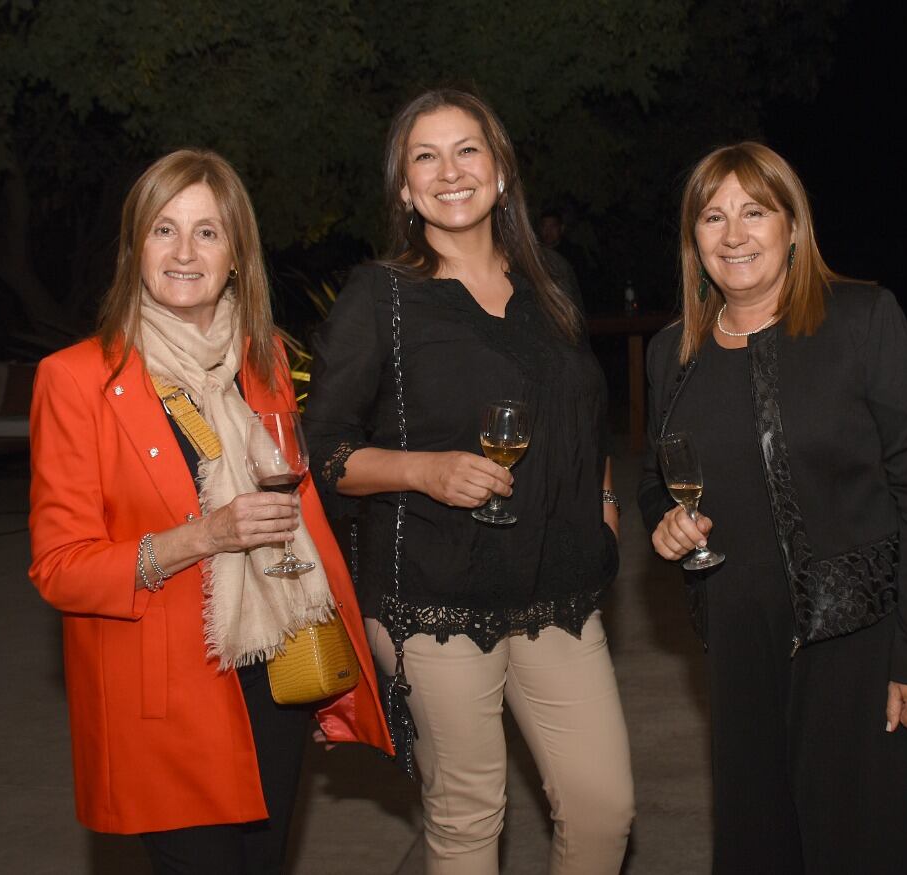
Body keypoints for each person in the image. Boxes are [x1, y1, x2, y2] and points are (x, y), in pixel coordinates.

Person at [28, 148, 391, 874]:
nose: (185, 252)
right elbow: (60, 570)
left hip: (274, 679)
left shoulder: (261, 366)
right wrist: (202, 536)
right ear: (135, 250)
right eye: (164, 230)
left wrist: (336, 669)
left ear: (236, 257)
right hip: (162, 702)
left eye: (208, 232)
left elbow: (304, 528)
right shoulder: (76, 379)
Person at [303, 89, 634, 874]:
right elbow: (323, 449)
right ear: (406, 189)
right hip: (432, 592)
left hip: (556, 586)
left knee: (603, 805)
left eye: (467, 150)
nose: (450, 171)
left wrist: (606, 510)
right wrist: (426, 470)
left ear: (501, 171)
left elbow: (584, 412)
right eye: (426, 156)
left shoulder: (553, 278)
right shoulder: (380, 296)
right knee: (468, 814)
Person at [639, 141, 907, 874]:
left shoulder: (863, 320)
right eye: (712, 217)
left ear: (792, 226)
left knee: (873, 851)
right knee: (759, 846)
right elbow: (658, 477)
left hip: (861, 645)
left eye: (755, 211)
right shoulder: (671, 354)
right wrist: (665, 521)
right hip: (738, 645)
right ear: (694, 241)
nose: (733, 234)